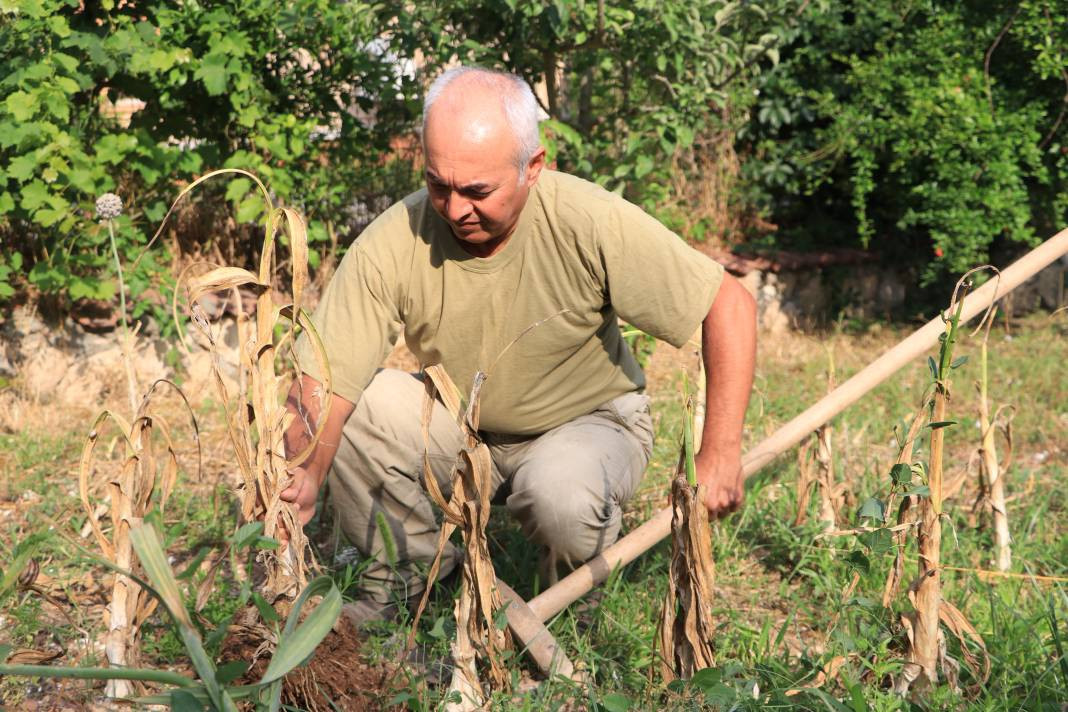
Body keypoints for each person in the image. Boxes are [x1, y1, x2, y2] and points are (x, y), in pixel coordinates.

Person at [280, 66, 757, 622]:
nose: (456, 209)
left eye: (478, 191)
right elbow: (328, 375)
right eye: (439, 185)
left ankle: (574, 595)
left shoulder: (587, 219)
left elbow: (728, 303)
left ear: (534, 166)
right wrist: (304, 471)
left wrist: (720, 451)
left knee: (560, 495)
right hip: (465, 428)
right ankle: (405, 584)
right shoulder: (397, 237)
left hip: (587, 422)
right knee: (368, 408)